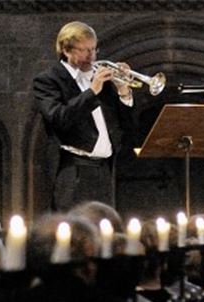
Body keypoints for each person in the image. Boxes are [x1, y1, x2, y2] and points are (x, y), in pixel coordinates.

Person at [33, 21, 136, 210]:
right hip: (75, 171)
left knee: (105, 232)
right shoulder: (48, 80)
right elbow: (60, 118)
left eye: (94, 49)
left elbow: (124, 124)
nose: (92, 56)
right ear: (66, 50)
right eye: (84, 50)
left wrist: (123, 91)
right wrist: (91, 91)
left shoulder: (100, 80)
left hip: (104, 170)